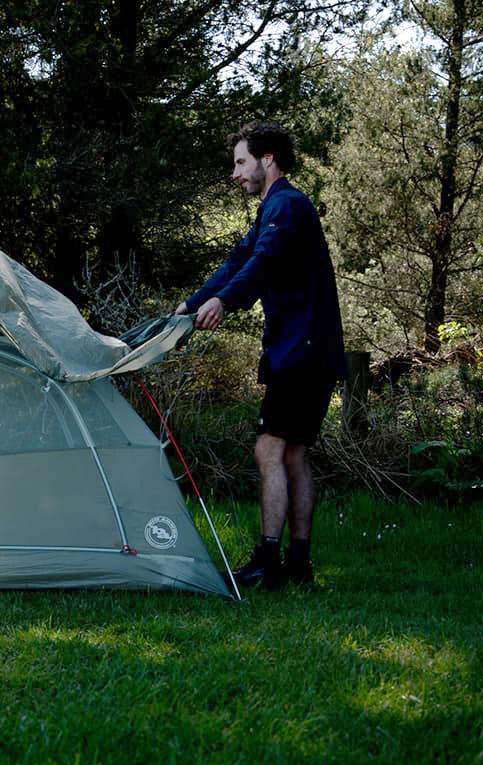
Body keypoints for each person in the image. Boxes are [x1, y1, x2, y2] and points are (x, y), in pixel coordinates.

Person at [175, 122, 347, 590]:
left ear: (267, 157)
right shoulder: (274, 208)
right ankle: (298, 565)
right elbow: (238, 259)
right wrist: (192, 303)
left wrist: (224, 302)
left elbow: (262, 261)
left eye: (241, 162)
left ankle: (269, 561)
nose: (236, 174)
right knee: (292, 455)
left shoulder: (287, 206)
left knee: (269, 449)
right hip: (305, 349)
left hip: (302, 351)